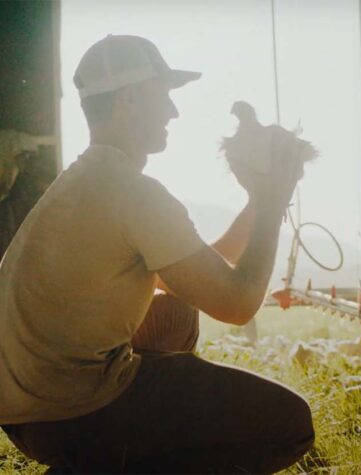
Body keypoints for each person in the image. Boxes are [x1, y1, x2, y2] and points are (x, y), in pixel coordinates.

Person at [0, 35, 314, 474]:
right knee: (288, 424)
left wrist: (258, 202)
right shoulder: (132, 193)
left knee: (177, 317)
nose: (173, 111)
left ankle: (103, 459)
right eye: (164, 95)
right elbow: (238, 304)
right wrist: (275, 193)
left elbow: (210, 266)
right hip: (72, 410)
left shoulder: (89, 180)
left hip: (24, 409)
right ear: (129, 97)